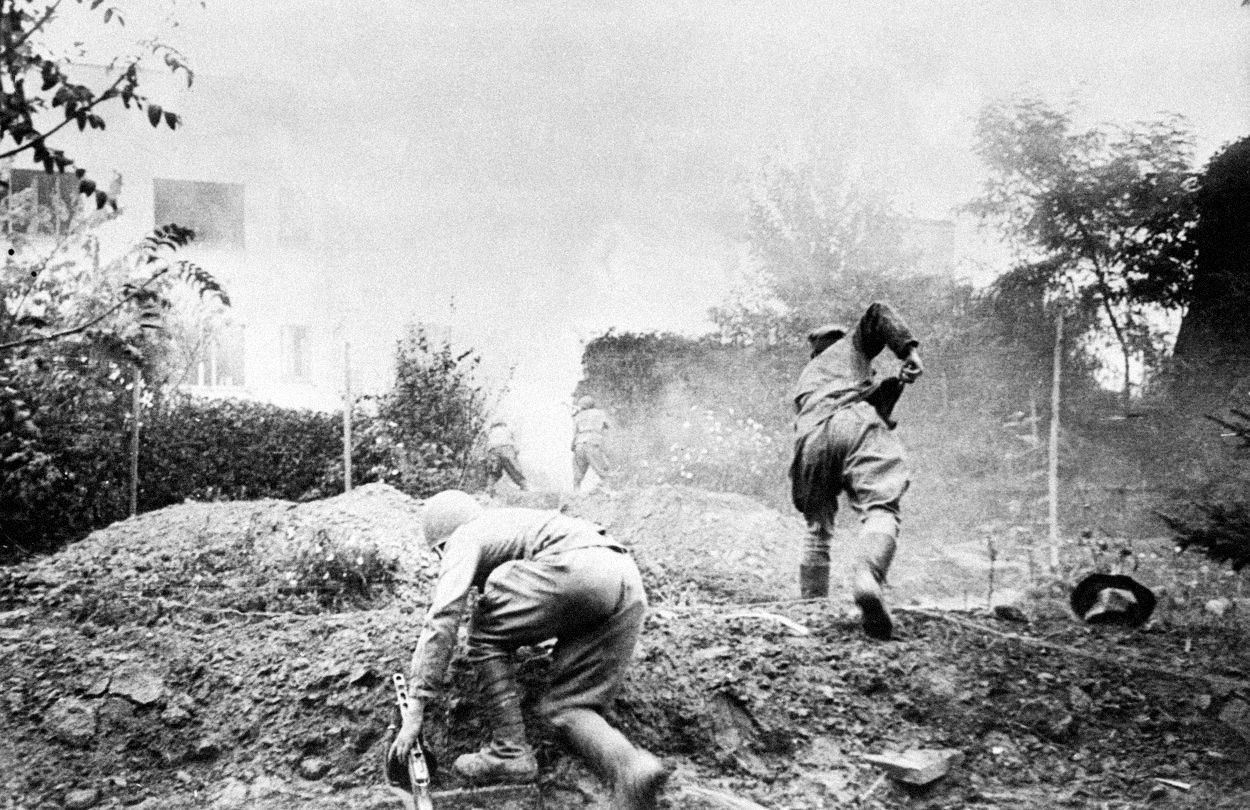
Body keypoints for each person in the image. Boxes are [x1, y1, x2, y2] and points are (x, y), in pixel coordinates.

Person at [389, 490, 666, 809]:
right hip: (625, 581)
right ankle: (632, 767)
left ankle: (509, 751)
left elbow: (443, 615)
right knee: (567, 708)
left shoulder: (465, 535)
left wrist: (416, 706)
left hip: (574, 571)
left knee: (482, 631)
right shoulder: (514, 524)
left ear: (441, 545)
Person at [789, 301, 924, 640]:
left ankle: (812, 609)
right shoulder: (849, 348)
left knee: (818, 528)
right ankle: (867, 576)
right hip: (852, 423)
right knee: (881, 506)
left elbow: (861, 396)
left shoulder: (808, 380)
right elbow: (878, 313)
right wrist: (908, 354)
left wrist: (895, 382)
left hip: (809, 442)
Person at [571, 395, 612, 491]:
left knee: (578, 476)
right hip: (593, 442)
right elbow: (608, 426)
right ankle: (608, 493)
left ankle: (576, 494)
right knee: (603, 472)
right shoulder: (600, 413)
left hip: (579, 444)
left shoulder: (578, 416)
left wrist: (573, 447)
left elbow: (575, 433)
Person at [484, 419, 528, 494]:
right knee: (514, 469)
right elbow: (515, 442)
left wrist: (487, 455)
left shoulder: (491, 430)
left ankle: (489, 488)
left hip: (493, 450)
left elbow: (486, 443)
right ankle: (524, 486)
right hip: (506, 448)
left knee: (494, 472)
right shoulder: (507, 428)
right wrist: (516, 451)